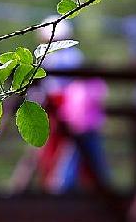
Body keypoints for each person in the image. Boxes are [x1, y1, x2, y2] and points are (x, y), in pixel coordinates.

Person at [30, 16, 110, 193]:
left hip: (58, 109)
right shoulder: (74, 56)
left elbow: (42, 88)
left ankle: (60, 189)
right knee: (76, 153)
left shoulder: (47, 57)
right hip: (70, 111)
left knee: (59, 153)